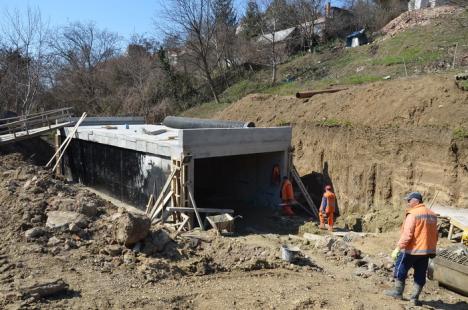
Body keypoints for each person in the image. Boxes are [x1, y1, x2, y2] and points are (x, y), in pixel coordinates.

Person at [384, 192, 438, 306]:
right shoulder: (432, 214)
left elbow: (407, 234)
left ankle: (398, 292)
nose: (407, 203)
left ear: (416, 201)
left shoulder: (413, 214)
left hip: (412, 250)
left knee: (400, 269)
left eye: (409, 200)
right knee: (420, 274)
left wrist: (398, 248)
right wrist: (433, 249)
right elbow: (435, 235)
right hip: (426, 251)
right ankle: (414, 298)